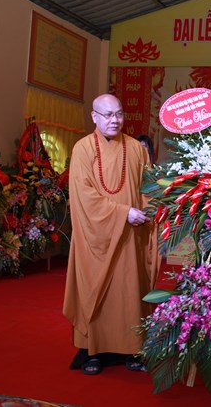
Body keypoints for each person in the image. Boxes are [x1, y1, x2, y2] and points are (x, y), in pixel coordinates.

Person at [63, 94, 160, 375]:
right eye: (107, 115)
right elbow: (84, 196)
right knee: (96, 292)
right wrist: (123, 213)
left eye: (119, 114)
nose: (114, 120)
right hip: (95, 237)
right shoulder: (83, 149)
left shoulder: (136, 148)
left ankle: (133, 349)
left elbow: (148, 188)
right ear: (94, 116)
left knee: (129, 291)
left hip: (130, 235)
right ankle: (92, 351)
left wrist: (148, 211)